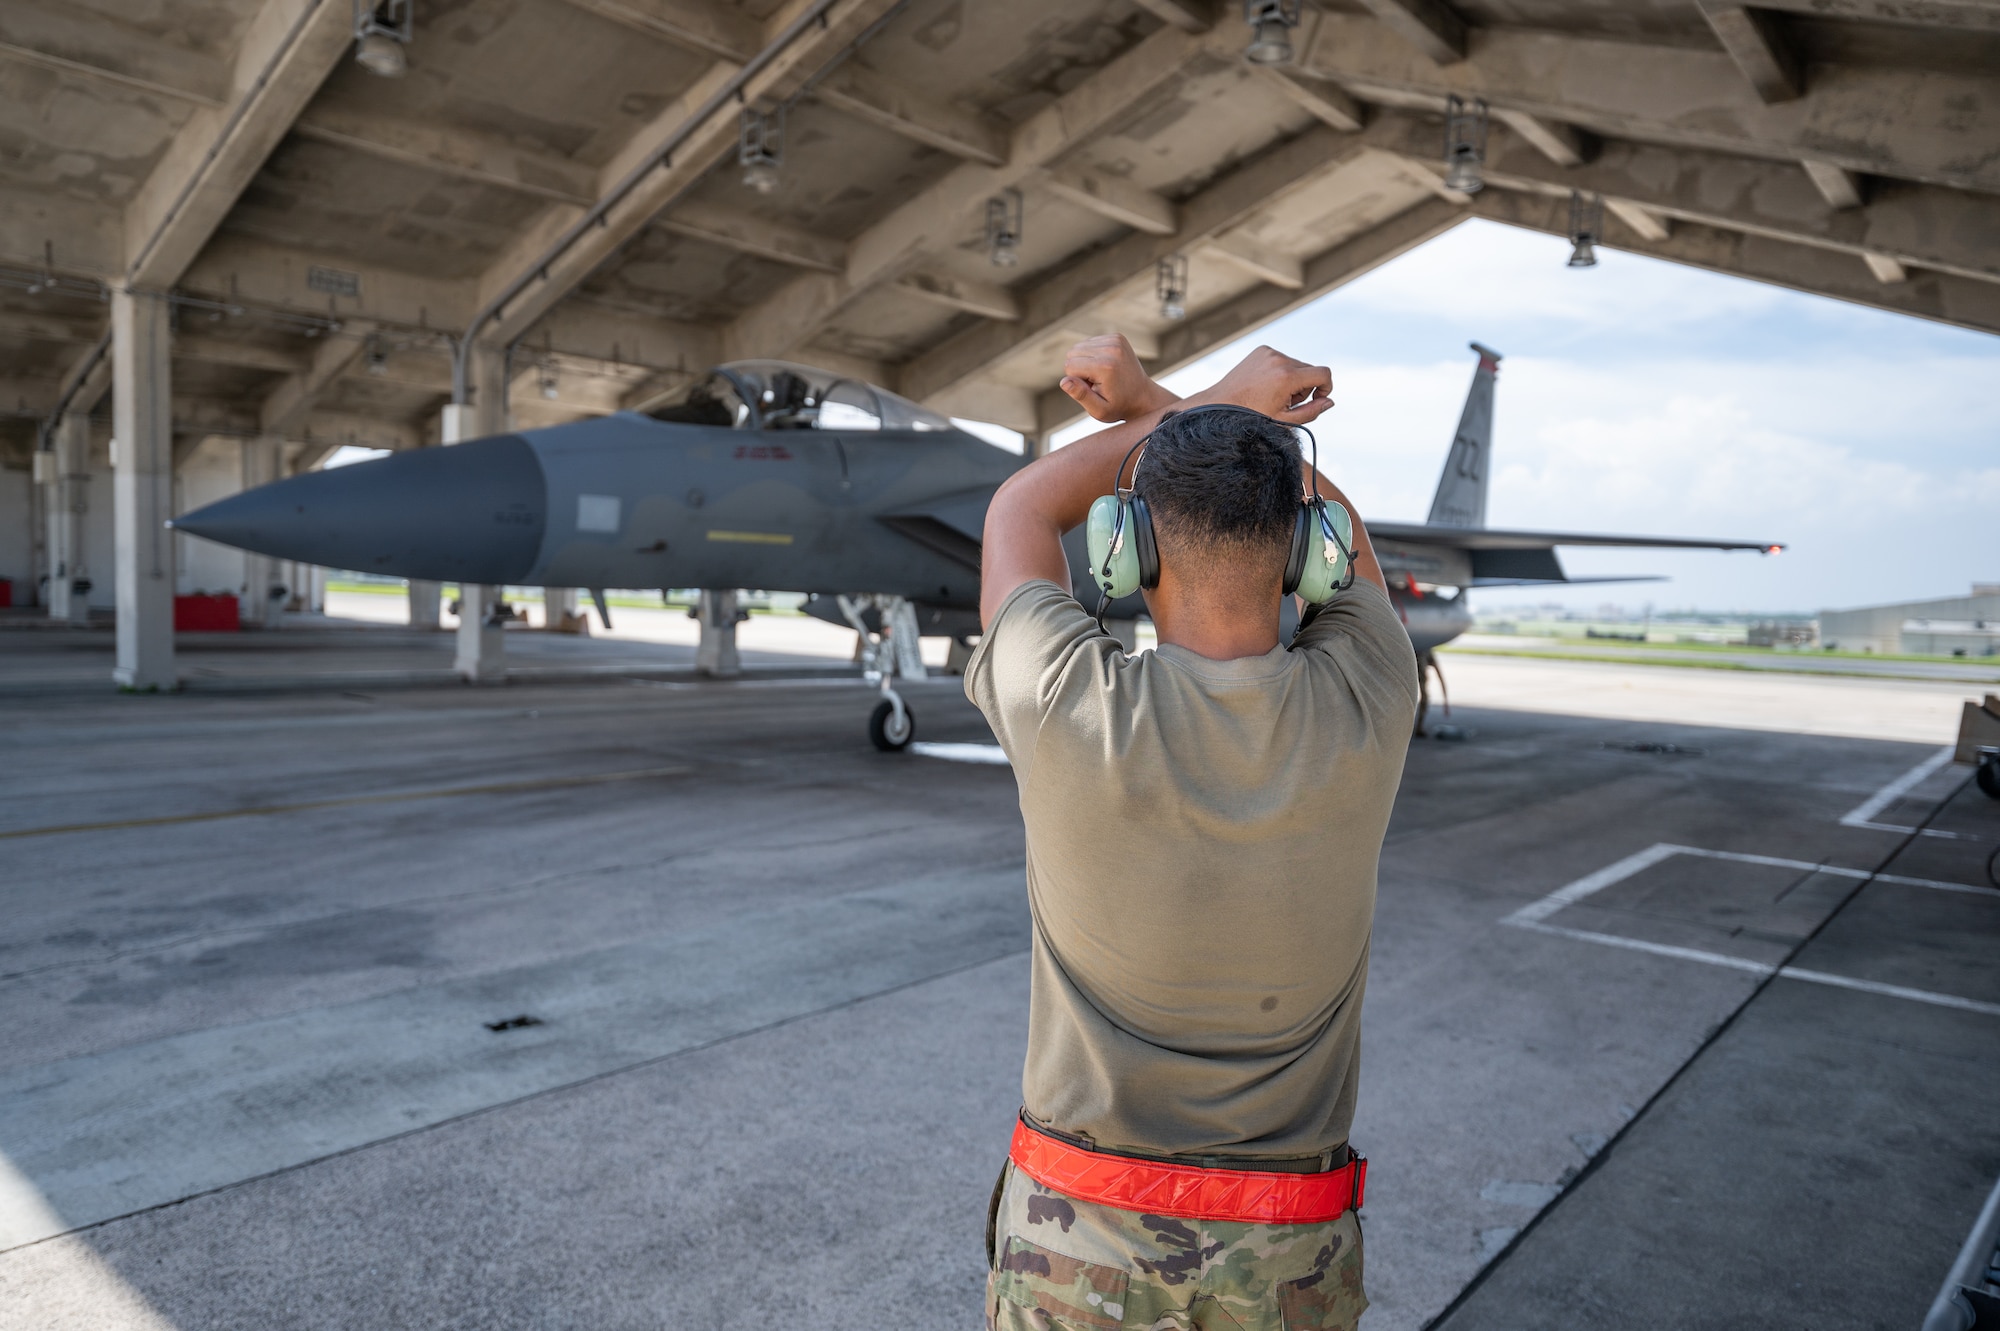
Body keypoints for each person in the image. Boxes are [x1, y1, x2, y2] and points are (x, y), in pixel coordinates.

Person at [966, 335, 1419, 1330]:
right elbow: (1331, 525)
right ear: (1302, 554)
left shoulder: (1061, 698)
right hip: (1290, 1253)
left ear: (1126, 551)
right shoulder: (1374, 693)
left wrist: (1194, 403)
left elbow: (1020, 506)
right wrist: (1212, 412)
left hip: (1078, 1241)